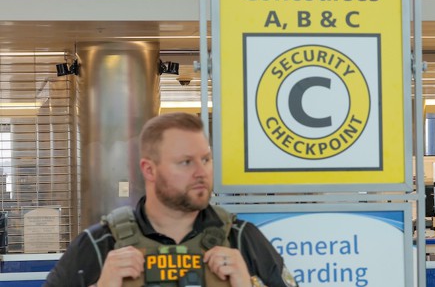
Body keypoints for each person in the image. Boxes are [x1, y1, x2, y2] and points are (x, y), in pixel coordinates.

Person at [45, 113, 298, 287]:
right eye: (186, 162)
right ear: (149, 170)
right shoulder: (98, 246)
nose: (201, 172)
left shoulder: (243, 240)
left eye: (206, 160)